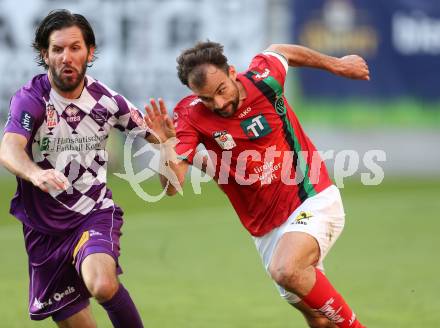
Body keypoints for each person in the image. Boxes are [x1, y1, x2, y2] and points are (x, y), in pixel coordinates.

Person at [145, 41, 370, 327]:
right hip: (266, 231)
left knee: (286, 269)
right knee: (318, 317)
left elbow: (282, 51)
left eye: (221, 90)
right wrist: (166, 145)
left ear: (233, 73)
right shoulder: (189, 116)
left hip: (311, 196)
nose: (219, 104)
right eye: (206, 99)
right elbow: (172, 186)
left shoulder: (264, 79)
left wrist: (337, 65)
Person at [0, 9, 165, 328]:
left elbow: (156, 135)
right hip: (43, 231)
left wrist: (168, 140)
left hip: (92, 212)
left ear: (90, 52)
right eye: (57, 49)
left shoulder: (108, 101)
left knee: (102, 283)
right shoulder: (31, 100)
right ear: (44, 54)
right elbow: (9, 148)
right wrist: (35, 173)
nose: (66, 57)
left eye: (75, 48)